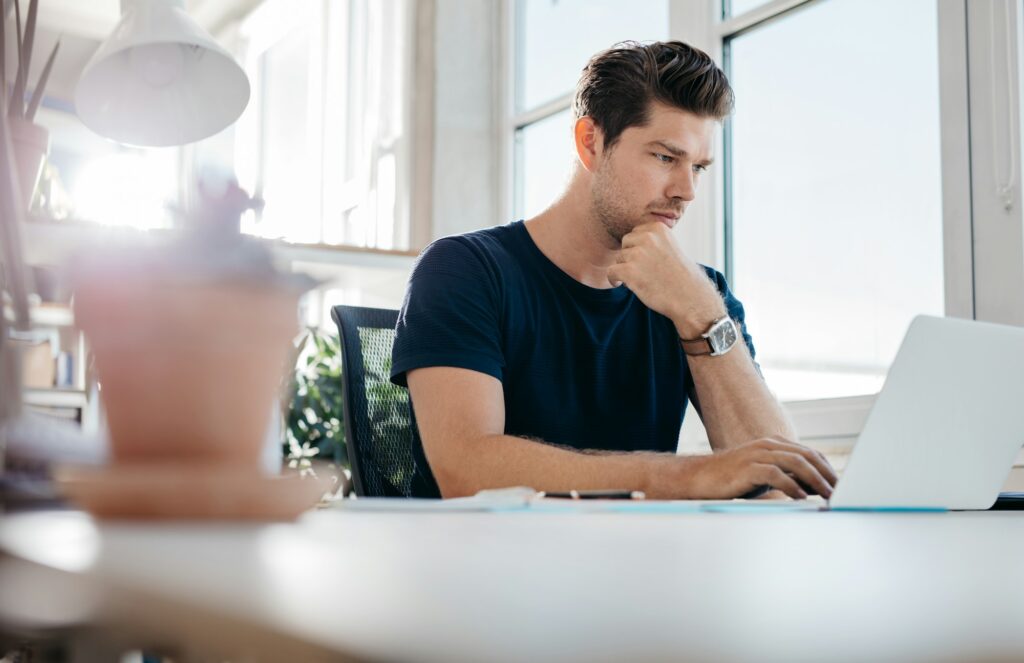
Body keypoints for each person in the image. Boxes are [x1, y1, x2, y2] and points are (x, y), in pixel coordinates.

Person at [390, 40, 837, 500]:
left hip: (637, 565)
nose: (687, 191)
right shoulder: (465, 270)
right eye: (666, 157)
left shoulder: (696, 293)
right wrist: (681, 476)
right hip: (487, 565)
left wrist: (701, 314)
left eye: (699, 167)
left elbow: (781, 482)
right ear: (591, 143)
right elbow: (466, 470)